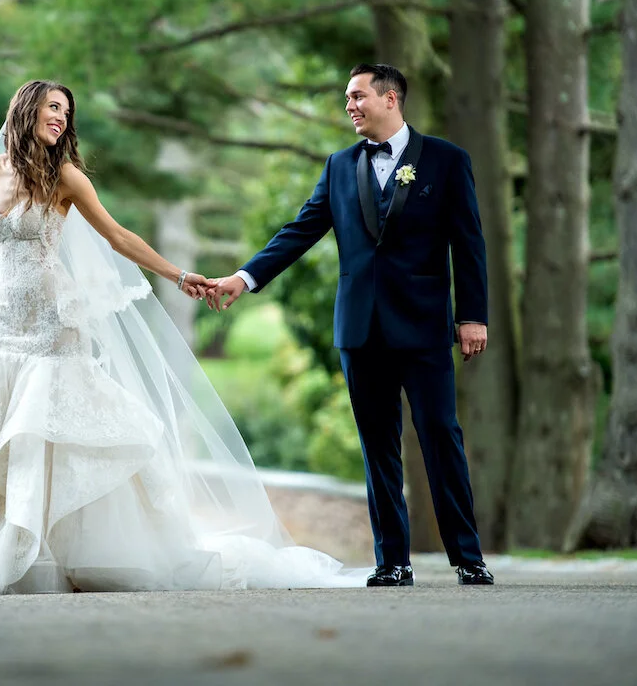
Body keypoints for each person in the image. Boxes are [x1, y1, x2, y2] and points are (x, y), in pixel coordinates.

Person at [0, 80, 366, 596]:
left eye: (66, 113)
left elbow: (118, 237)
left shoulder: (66, 178)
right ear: (26, 110)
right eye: (53, 108)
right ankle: (16, 553)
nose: (60, 119)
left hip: (54, 322)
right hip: (5, 326)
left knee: (48, 431)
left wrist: (180, 276)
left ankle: (66, 553)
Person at [205, 64, 494, 587]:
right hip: (359, 331)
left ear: (390, 99)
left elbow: (469, 244)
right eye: (346, 98)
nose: (350, 106)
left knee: (440, 437)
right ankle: (393, 562)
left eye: (358, 96)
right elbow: (301, 229)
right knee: (377, 446)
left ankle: (467, 558)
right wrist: (244, 278)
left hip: (425, 327)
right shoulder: (340, 166)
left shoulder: (448, 161)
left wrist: (471, 316)